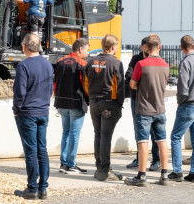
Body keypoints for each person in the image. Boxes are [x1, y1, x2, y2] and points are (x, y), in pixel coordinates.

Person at [124, 34, 170, 187]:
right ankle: (164, 174)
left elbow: (132, 84)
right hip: (160, 108)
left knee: (143, 142)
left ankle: (141, 176)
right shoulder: (165, 64)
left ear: (146, 48)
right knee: (162, 141)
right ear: (160, 46)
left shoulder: (141, 64)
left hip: (144, 108)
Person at [13, 34, 54, 200]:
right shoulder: (48, 65)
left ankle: (32, 188)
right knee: (42, 149)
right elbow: (50, 89)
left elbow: (19, 92)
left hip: (27, 112)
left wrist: (16, 109)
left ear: (24, 47)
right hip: (43, 111)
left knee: (30, 151)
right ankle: (43, 188)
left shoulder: (23, 66)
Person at [168, 35, 194, 184]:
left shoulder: (186, 62)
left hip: (189, 104)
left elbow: (183, 88)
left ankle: (177, 171)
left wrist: (180, 101)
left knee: (175, 137)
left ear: (181, 47)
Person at [84, 34, 124, 182]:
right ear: (113, 47)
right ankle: (104, 170)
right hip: (109, 102)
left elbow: (86, 84)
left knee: (98, 134)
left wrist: (92, 98)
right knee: (106, 136)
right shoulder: (116, 63)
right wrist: (119, 105)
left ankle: (100, 167)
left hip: (94, 102)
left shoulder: (90, 62)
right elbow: (120, 87)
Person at [54, 38, 90, 174]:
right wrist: (88, 99)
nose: (87, 53)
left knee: (66, 133)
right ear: (80, 49)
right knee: (74, 134)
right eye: (87, 50)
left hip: (62, 103)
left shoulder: (60, 62)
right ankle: (71, 164)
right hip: (76, 103)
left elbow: (55, 84)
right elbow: (85, 86)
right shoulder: (82, 64)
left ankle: (64, 164)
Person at [125, 37, 160, 171]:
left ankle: (156, 160)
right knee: (138, 130)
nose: (147, 49)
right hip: (137, 99)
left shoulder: (157, 60)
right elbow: (128, 76)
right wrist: (141, 82)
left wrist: (139, 80)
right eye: (145, 46)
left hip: (152, 100)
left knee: (155, 132)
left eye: (148, 46)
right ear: (142, 47)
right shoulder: (136, 59)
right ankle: (140, 158)